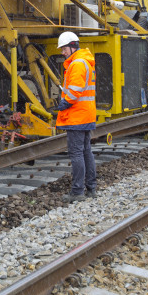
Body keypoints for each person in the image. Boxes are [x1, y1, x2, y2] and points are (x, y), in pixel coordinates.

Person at [55, 31, 98, 202]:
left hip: (77, 115)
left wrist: (65, 101)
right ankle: (91, 188)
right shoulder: (85, 62)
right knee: (86, 152)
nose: (62, 52)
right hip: (85, 114)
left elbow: (75, 90)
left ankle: (77, 191)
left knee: (76, 153)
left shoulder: (78, 64)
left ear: (72, 46)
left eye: (64, 49)